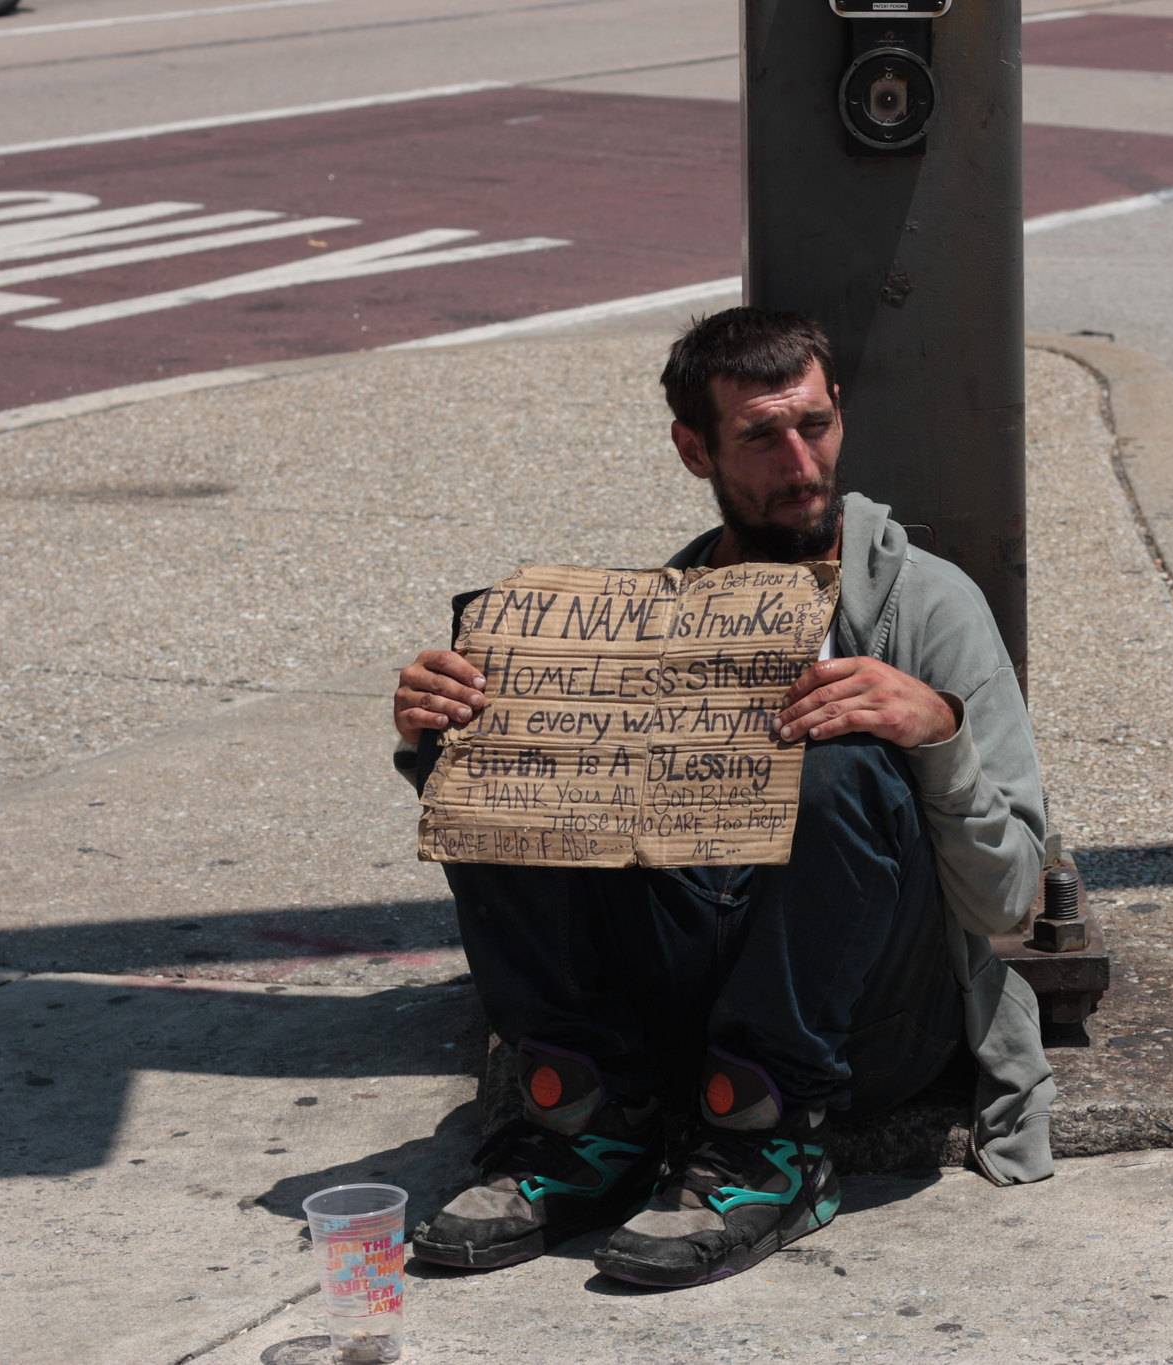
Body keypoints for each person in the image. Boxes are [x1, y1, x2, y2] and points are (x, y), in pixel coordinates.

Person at [390, 307, 1053, 1289]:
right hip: (678, 1014)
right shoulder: (652, 613)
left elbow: (1012, 906)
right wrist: (439, 741)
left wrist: (936, 734)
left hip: (863, 1029)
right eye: (759, 436)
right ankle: (583, 1126)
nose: (800, 463)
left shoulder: (924, 602)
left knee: (837, 765)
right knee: (507, 749)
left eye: (815, 425)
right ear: (693, 450)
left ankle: (766, 1151)